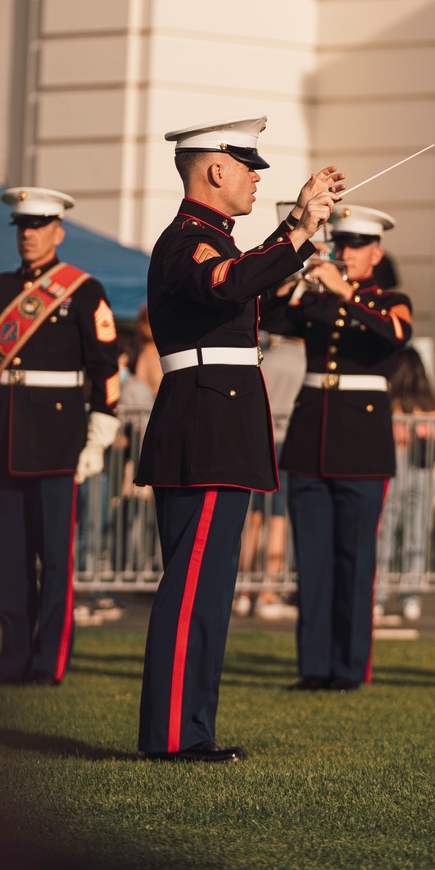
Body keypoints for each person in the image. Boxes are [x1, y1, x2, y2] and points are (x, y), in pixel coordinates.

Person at [135, 115, 341, 762]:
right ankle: (172, 735)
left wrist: (301, 239)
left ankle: (193, 730)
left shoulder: (217, 242)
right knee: (192, 587)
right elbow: (226, 283)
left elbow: (251, 288)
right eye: (249, 167)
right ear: (217, 168)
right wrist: (299, 232)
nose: (256, 179)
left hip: (219, 427)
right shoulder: (189, 242)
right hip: (204, 425)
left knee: (211, 595)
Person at [0, 187, 120, 685]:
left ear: (59, 231)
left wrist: (100, 433)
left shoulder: (83, 289)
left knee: (55, 560)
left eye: (38, 227)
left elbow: (104, 367)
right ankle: (13, 655)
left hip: (59, 442)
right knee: (8, 560)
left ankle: (48, 660)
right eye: (22, 227)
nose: (29, 235)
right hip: (4, 437)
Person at [263, 203, 412, 692]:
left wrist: (342, 289)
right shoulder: (315, 297)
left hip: (362, 448)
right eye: (341, 243)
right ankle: (314, 667)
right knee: (314, 562)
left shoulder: (390, 299)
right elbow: (266, 312)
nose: (345, 252)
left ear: (376, 252)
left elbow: (395, 336)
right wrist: (293, 275)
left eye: (355, 245)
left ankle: (349, 668)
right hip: (310, 442)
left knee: (354, 562)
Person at [233, 331, 305, 619]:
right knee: (278, 518)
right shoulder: (304, 363)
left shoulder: (267, 359)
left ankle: (244, 591)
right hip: (287, 441)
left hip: (259, 439)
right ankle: (268, 593)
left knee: (253, 518)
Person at [377, 347, 435, 623]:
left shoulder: (390, 400)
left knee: (387, 533)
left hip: (402, 466)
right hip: (419, 470)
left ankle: (380, 594)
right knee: (414, 533)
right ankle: (409, 595)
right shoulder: (430, 403)